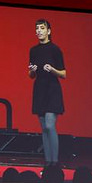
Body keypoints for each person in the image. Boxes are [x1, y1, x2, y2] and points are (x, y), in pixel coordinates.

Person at [28, 18, 66, 165]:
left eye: (42, 28)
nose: (39, 31)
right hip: (39, 89)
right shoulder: (33, 50)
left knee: (50, 125)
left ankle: (55, 163)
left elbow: (64, 74)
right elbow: (31, 76)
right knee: (44, 128)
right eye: (37, 28)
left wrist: (53, 69)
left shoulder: (55, 49)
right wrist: (31, 71)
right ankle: (48, 163)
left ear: (48, 31)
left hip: (52, 89)